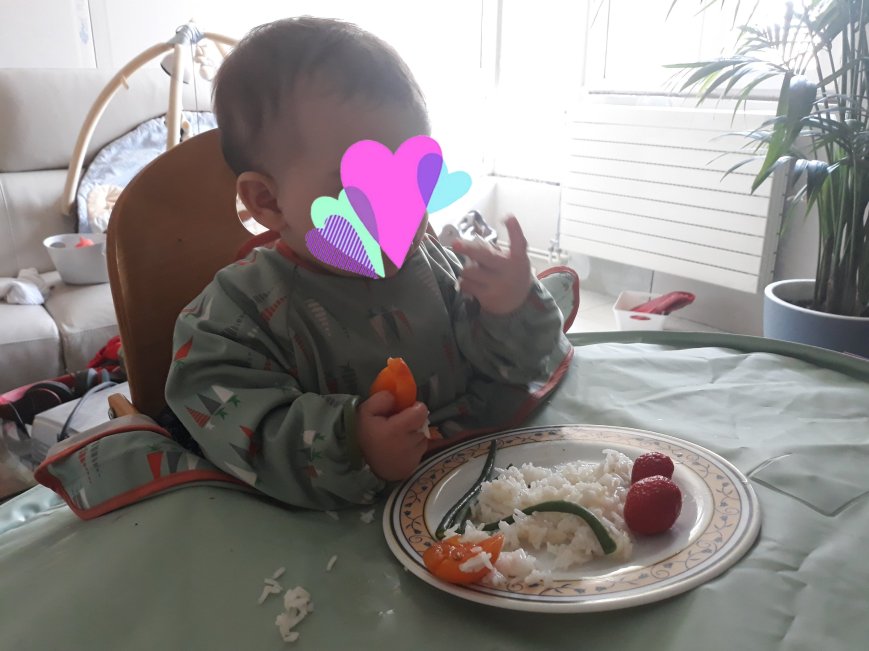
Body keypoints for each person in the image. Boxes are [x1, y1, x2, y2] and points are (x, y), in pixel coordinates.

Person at [164, 16, 574, 510]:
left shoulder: (432, 264)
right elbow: (232, 423)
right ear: (268, 202)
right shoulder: (235, 315)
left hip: (471, 485)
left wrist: (508, 310)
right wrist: (350, 445)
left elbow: (512, 368)